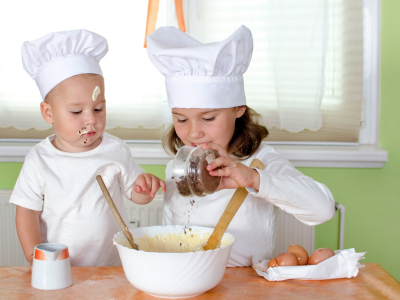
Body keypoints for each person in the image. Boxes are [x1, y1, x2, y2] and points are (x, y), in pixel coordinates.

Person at [147, 26, 335, 267]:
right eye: (181, 119)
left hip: (243, 285)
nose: (193, 132)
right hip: (187, 280)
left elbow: (323, 209)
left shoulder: (261, 161)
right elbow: (171, 232)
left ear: (238, 108)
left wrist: (253, 179)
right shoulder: (178, 167)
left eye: (208, 118)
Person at [9, 29, 166, 267]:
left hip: (111, 266)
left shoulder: (115, 150)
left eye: (98, 109)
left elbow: (135, 193)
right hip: (61, 267)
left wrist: (145, 189)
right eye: (76, 112)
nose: (90, 120)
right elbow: (27, 212)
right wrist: (34, 256)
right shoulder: (40, 159)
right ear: (48, 113)